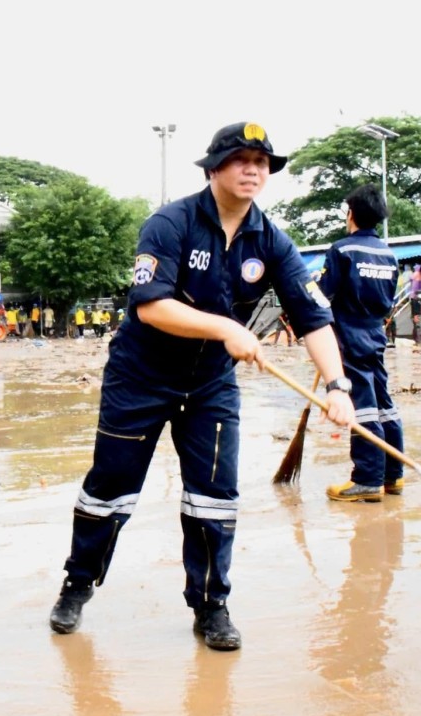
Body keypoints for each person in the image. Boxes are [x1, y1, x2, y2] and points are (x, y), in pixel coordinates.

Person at [48, 121, 355, 651]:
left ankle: (211, 606)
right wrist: (227, 327)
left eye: (262, 163)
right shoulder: (171, 224)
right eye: (242, 159)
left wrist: (338, 386)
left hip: (210, 384)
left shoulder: (271, 240)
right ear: (215, 167)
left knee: (213, 498)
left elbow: (312, 318)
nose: (253, 170)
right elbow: (152, 306)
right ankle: (77, 585)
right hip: (139, 379)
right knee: (109, 491)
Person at [318, 184, 405, 503]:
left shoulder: (341, 250)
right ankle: (393, 476)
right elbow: (388, 300)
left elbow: (321, 295)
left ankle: (367, 479)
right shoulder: (388, 254)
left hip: (348, 334)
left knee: (364, 407)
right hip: (376, 334)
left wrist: (308, 290)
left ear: (350, 213)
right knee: (384, 404)